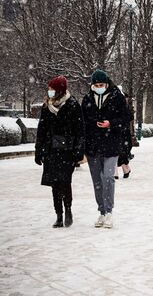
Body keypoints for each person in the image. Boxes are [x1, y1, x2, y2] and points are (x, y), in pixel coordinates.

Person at [35, 76, 84, 228]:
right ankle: (59, 215)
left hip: (66, 151)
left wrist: (78, 152)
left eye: (52, 89)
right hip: (51, 151)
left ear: (59, 90)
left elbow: (80, 130)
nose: (49, 92)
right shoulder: (46, 106)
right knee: (54, 184)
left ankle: (68, 209)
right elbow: (41, 130)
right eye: (48, 89)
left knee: (65, 182)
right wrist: (39, 151)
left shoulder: (73, 105)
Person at [81, 69, 128, 229]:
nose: (99, 87)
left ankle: (109, 212)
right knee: (97, 181)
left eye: (101, 84)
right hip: (93, 145)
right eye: (96, 85)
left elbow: (126, 118)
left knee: (108, 177)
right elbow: (83, 121)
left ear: (106, 84)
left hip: (111, 144)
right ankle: (101, 211)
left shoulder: (117, 97)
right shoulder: (87, 99)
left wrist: (111, 124)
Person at [116, 87, 133, 179]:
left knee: (120, 152)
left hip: (121, 132)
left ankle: (123, 169)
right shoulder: (123, 105)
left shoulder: (124, 106)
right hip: (118, 131)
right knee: (118, 152)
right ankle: (123, 169)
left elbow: (130, 116)